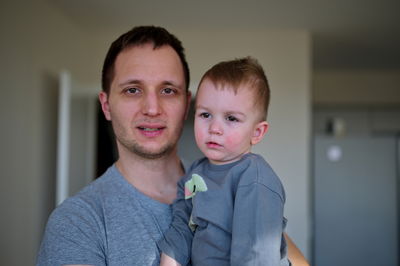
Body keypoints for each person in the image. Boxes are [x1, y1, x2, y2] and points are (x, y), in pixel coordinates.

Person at [36, 25, 309, 266]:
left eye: (168, 90)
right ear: (106, 105)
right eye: (133, 90)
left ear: (186, 104)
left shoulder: (235, 187)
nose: (152, 108)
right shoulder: (77, 223)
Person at [158, 57, 289, 266]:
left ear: (257, 132)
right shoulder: (195, 173)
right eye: (205, 114)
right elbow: (183, 224)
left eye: (231, 118)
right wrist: (171, 259)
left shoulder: (254, 177)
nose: (214, 128)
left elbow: (256, 254)